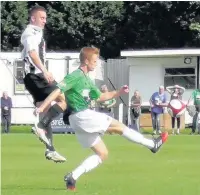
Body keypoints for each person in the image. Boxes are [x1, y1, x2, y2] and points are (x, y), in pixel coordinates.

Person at [35, 47, 169, 191]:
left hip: (78, 120)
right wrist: (43, 107)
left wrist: (119, 92)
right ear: (86, 61)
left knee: (102, 154)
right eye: (94, 61)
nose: (96, 64)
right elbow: (57, 90)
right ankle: (152, 145)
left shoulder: (87, 79)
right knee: (119, 127)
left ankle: (72, 176)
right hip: (82, 115)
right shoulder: (76, 76)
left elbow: (100, 97)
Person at [20, 5, 67, 162]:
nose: (44, 21)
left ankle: (50, 149)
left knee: (46, 114)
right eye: (42, 18)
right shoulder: (31, 33)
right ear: (33, 18)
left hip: (32, 78)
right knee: (62, 97)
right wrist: (45, 71)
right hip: (36, 76)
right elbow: (32, 53)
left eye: (45, 18)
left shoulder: (36, 32)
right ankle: (40, 127)